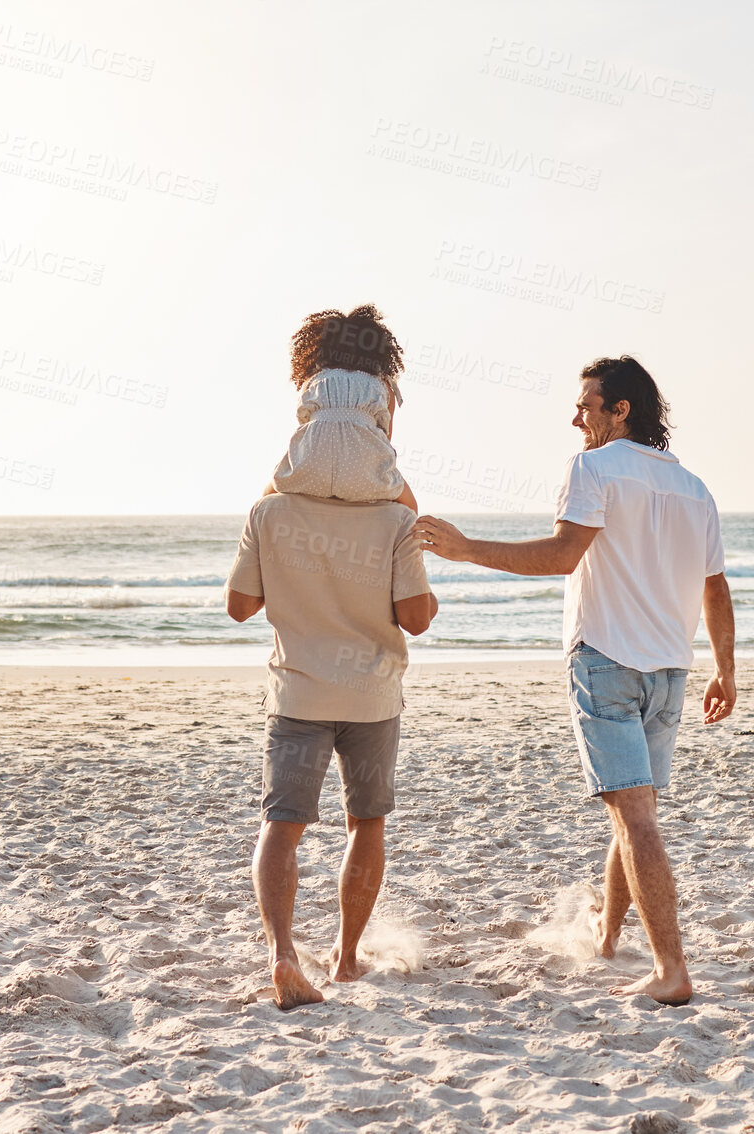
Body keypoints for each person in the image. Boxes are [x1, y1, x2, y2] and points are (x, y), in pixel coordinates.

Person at [413, 355, 735, 1005]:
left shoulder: (593, 468)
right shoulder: (694, 487)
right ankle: (610, 938)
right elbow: (715, 587)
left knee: (636, 816)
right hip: (671, 669)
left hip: (607, 662)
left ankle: (671, 969)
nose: (576, 417)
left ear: (622, 410)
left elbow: (563, 555)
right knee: (633, 809)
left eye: (587, 404)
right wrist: (727, 668)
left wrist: (467, 548)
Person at [226, 305, 438, 1010]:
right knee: (365, 824)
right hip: (371, 698)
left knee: (280, 828)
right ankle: (346, 959)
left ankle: (284, 956)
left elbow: (240, 606)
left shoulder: (270, 512)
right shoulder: (397, 518)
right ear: (379, 405)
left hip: (298, 696)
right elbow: (416, 618)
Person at [262, 303, 419, 512]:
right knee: (410, 507)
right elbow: (385, 438)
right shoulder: (382, 384)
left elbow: (305, 425)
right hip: (362, 472)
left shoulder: (315, 380)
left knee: (265, 500)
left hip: (310, 467)